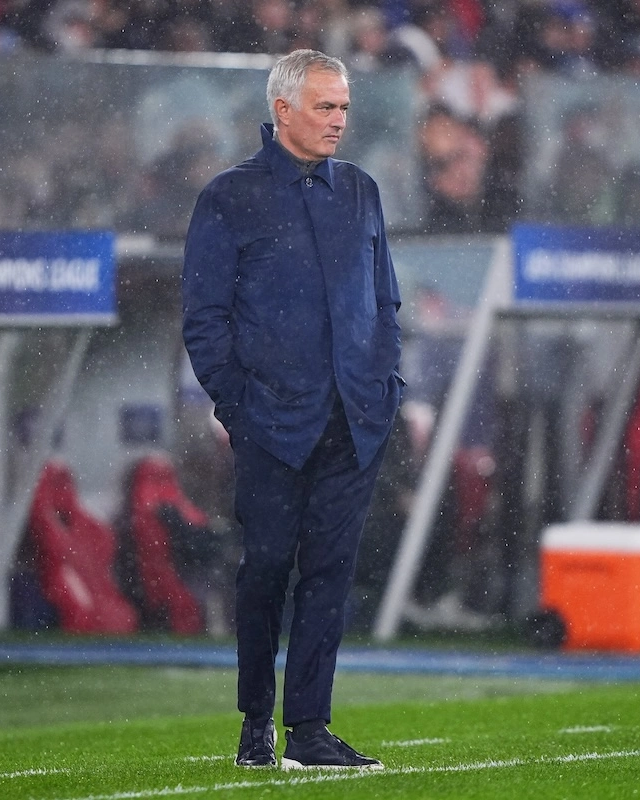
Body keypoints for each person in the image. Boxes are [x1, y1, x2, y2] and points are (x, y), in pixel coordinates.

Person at [182, 49, 402, 771]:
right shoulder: (228, 196)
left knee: (331, 573)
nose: (340, 120)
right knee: (267, 569)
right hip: (270, 425)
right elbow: (204, 321)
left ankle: (309, 729)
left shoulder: (362, 191)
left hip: (353, 420)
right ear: (283, 111)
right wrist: (240, 410)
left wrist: (383, 388)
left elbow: (385, 302)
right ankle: (254, 723)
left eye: (344, 107)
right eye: (325, 107)